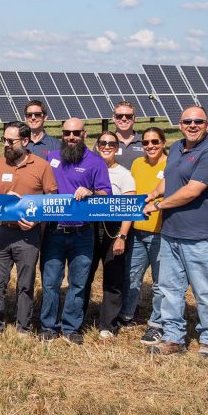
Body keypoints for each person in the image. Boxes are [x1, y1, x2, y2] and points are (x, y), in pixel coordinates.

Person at [142, 106, 208, 358]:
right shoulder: (178, 148)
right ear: (179, 125)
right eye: (187, 121)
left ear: (207, 125)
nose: (192, 125)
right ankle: (173, 338)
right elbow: (170, 177)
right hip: (170, 232)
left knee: (203, 291)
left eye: (197, 121)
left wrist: (157, 205)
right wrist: (154, 192)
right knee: (170, 289)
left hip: (198, 235)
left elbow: (192, 190)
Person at [40, 118, 111, 344]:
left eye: (76, 133)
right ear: (62, 135)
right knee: (50, 281)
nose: (71, 137)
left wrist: (90, 191)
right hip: (54, 231)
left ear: (84, 135)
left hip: (83, 233)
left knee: (78, 283)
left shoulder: (95, 162)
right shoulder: (51, 158)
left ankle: (71, 327)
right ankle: (48, 326)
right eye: (67, 133)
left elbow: (105, 195)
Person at [0, 122, 57, 335]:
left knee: (25, 285)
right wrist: (1, 199)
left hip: (28, 234)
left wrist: (36, 220)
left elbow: (51, 197)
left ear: (25, 141)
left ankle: (23, 328)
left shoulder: (42, 166)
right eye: (4, 140)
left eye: (11, 141)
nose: (6, 144)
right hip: (1, 231)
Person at [82, 131, 136, 338]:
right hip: (89, 228)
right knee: (84, 275)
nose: (106, 146)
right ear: (96, 146)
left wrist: (122, 236)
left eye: (111, 143)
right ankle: (79, 318)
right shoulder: (88, 169)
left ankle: (107, 325)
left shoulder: (123, 174)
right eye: (102, 143)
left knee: (113, 279)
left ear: (117, 148)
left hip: (114, 231)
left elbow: (130, 208)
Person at [125, 127, 168, 343]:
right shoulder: (137, 164)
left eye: (155, 142)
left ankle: (156, 324)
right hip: (136, 230)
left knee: (160, 282)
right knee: (132, 275)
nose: (150, 146)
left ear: (163, 143)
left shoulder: (171, 164)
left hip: (161, 232)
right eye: (146, 142)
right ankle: (127, 314)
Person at [112, 101, 144, 169]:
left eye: (128, 116)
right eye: (119, 116)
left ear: (134, 118)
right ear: (114, 118)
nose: (124, 119)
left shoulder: (146, 142)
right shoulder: (104, 143)